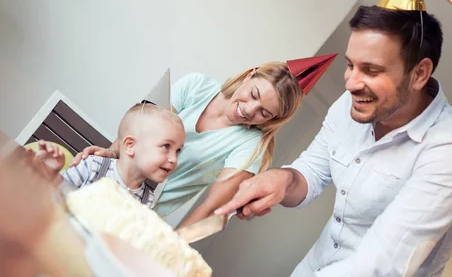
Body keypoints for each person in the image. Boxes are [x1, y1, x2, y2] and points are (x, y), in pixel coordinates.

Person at [212, 5, 452, 277]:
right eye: (350, 65)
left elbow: (380, 265)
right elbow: (311, 173)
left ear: (419, 73)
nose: (352, 82)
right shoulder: (351, 104)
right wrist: (281, 180)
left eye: (371, 70)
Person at [70, 56, 337, 225]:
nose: (249, 110)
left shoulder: (250, 145)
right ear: (249, 74)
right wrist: (108, 154)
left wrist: (171, 248)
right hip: (107, 188)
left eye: (264, 113)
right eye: (253, 94)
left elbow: (213, 207)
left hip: (137, 219)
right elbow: (142, 128)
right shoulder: (196, 86)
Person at [34, 102, 185, 208]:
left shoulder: (147, 202)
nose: (174, 159)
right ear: (130, 145)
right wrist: (51, 174)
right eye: (166, 146)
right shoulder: (94, 166)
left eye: (178, 151)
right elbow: (51, 196)